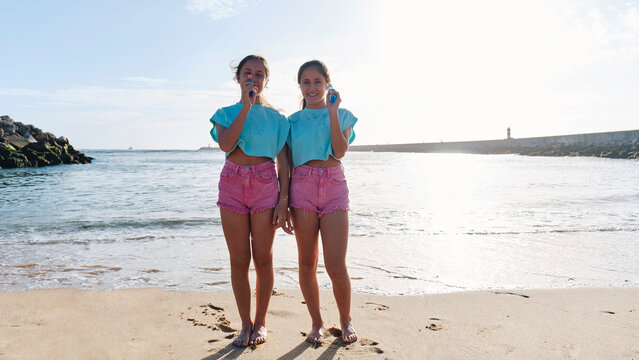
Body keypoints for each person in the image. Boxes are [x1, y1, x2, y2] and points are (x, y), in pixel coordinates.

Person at [209, 54, 293, 347]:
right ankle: (244, 324)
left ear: (266, 80)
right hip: (232, 182)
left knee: (263, 259)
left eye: (259, 74)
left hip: (265, 183)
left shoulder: (279, 119)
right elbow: (226, 144)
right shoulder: (224, 113)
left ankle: (261, 322)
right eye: (247, 73)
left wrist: (284, 201)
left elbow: (283, 160)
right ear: (238, 78)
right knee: (239, 260)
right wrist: (245, 106)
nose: (253, 79)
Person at [287, 60, 358, 344]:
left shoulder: (343, 115)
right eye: (306, 82)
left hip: (334, 185)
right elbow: (287, 163)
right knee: (306, 263)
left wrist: (332, 112)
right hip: (301, 187)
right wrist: (283, 202)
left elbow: (340, 151)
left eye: (317, 81)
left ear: (327, 83)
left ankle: (345, 319)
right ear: (300, 86)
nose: (312, 87)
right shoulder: (291, 122)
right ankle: (316, 323)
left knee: (336, 265)